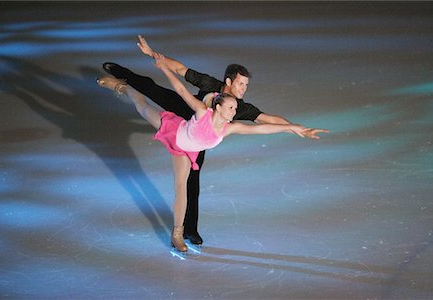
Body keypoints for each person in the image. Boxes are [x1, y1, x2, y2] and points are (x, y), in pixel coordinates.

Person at [103, 35, 327, 245]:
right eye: (241, 84)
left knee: (193, 182)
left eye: (246, 85)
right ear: (228, 81)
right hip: (185, 111)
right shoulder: (209, 84)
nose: (243, 89)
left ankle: (189, 229)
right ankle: (125, 76)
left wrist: (295, 128)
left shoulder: (239, 108)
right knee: (152, 90)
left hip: (200, 138)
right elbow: (180, 71)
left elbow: (267, 121)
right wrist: (152, 53)